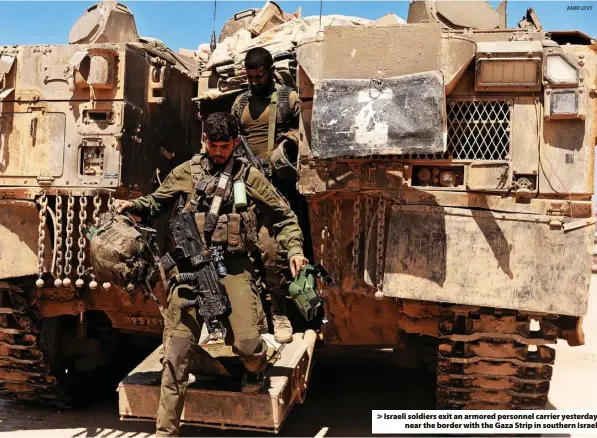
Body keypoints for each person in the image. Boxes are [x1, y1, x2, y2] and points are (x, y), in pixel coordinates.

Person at [113, 112, 308, 437]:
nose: (219, 152)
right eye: (213, 145)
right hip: (189, 270)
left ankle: (256, 369)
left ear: (234, 143)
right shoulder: (185, 173)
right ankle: (165, 432)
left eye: (225, 146)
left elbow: (283, 215)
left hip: (233, 268)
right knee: (175, 356)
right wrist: (132, 206)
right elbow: (155, 202)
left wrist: (296, 249)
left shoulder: (248, 176)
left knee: (247, 345)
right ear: (206, 142)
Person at [232, 46, 311, 344]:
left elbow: (306, 131)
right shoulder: (240, 104)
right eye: (249, 76)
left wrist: (285, 146)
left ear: (269, 71)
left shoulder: (286, 98)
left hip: (276, 186)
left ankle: (279, 312)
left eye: (259, 75)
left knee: (271, 249)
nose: (254, 81)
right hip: (244, 187)